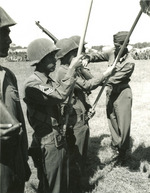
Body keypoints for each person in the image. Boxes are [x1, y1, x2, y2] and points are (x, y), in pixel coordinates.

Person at [23, 38, 82, 193]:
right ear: (40, 60)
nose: (55, 59)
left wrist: (64, 111)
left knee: (60, 184)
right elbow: (61, 95)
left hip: (56, 138)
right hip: (48, 141)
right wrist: (71, 71)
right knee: (54, 187)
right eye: (51, 56)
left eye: (55, 55)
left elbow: (56, 102)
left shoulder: (47, 81)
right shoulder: (33, 84)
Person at [55, 37, 115, 192]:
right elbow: (88, 85)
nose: (79, 56)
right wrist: (105, 73)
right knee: (77, 158)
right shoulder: (64, 71)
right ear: (68, 56)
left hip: (81, 118)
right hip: (75, 123)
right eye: (76, 53)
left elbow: (80, 94)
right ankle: (78, 187)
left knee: (81, 156)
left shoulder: (71, 69)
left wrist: (88, 107)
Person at [85, 31, 135, 165]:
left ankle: (123, 152)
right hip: (111, 92)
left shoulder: (130, 62)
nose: (115, 47)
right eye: (114, 45)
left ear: (126, 44)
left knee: (123, 124)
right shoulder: (112, 52)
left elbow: (112, 80)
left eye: (118, 45)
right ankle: (116, 145)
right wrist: (88, 58)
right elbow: (98, 56)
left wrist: (94, 79)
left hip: (122, 93)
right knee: (111, 118)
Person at [0, 7, 31, 193]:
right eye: (3, 33)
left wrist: (23, 160)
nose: (9, 40)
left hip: (13, 166)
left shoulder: (8, 75)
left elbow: (19, 124)